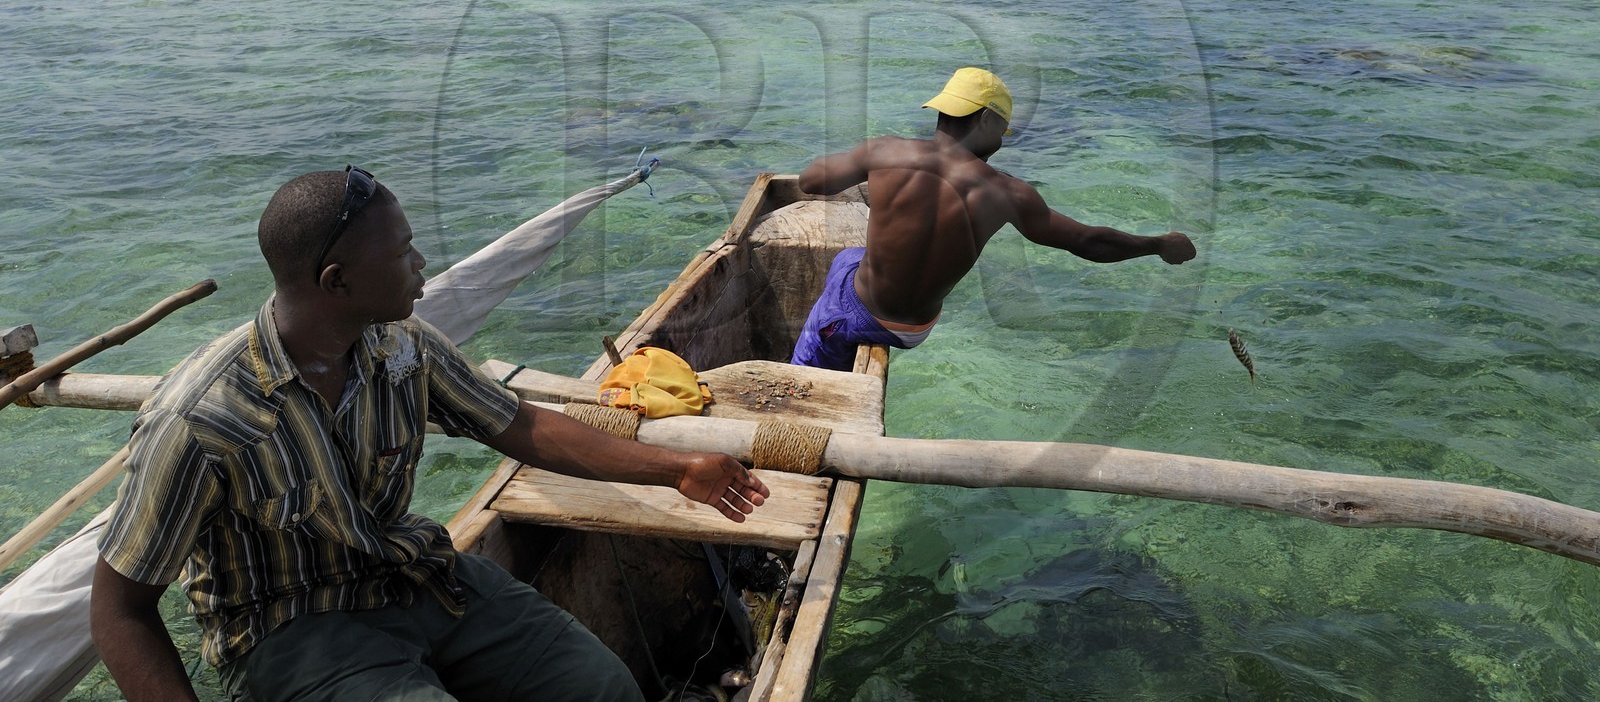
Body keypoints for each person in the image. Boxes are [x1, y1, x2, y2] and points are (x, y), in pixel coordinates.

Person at [90, 166, 769, 702]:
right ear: (338, 281)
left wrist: (675, 471)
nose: (421, 262)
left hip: (416, 577)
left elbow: (523, 425)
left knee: (602, 687)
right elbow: (121, 611)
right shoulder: (204, 416)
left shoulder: (401, 347)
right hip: (291, 628)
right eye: (404, 250)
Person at [791, 68, 1198, 370]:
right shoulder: (1008, 193)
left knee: (840, 282)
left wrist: (861, 161)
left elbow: (811, 181)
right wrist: (1157, 244)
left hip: (862, 313)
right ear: (985, 119)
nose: (1002, 141)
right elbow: (1090, 243)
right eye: (1003, 130)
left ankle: (804, 363)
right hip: (915, 328)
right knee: (848, 258)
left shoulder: (885, 151)